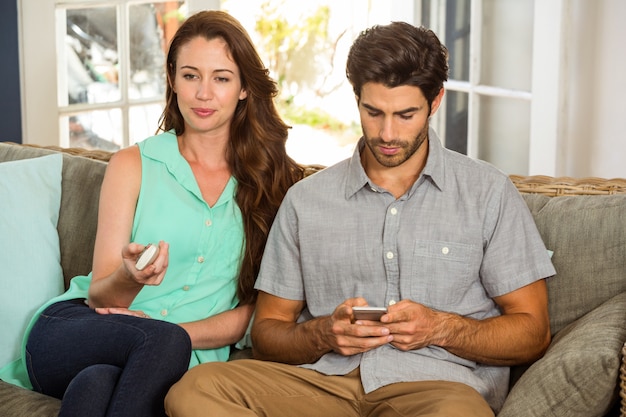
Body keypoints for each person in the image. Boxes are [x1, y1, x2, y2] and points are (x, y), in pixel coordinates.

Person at [164, 20, 557, 417]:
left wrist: (440, 327)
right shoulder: (306, 200)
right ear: (356, 99)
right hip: (320, 385)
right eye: (373, 112)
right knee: (195, 390)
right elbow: (267, 335)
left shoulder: (487, 192)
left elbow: (533, 332)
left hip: (435, 390)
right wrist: (322, 334)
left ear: (435, 102)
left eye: (406, 115)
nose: (387, 133)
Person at [0, 10, 301, 417]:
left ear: (245, 88)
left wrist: (174, 335)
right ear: (173, 80)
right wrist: (130, 276)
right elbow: (99, 295)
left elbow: (255, 311)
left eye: (222, 78)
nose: (203, 94)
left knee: (96, 386)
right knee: (155, 345)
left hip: (177, 357)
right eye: (191, 75)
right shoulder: (133, 164)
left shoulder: (274, 183)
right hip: (77, 329)